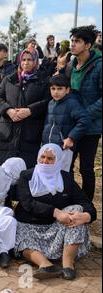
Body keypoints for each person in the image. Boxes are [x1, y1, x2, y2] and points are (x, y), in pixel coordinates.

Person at [14, 144, 97, 280]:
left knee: (76, 210)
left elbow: (87, 204)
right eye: (42, 157)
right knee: (22, 242)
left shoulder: (66, 178)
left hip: (55, 229)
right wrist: (56, 212)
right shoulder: (27, 176)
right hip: (29, 227)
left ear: (58, 160)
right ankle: (46, 266)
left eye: (50, 158)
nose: (45, 161)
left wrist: (86, 216)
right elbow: (28, 203)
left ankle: (68, 265)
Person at [0, 49, 51, 168]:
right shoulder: (9, 79)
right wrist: (8, 110)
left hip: (30, 133)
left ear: (36, 61)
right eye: (23, 60)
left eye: (30, 60)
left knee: (25, 171)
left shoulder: (43, 80)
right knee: (5, 170)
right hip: (8, 132)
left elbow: (48, 101)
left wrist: (30, 110)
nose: (26, 63)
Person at [67, 25, 102, 202]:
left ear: (88, 45)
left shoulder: (99, 66)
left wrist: (84, 115)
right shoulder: (69, 66)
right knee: (67, 165)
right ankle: (71, 198)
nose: (72, 45)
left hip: (91, 127)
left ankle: (86, 203)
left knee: (86, 167)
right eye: (72, 41)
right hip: (71, 126)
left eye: (77, 41)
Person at [41, 74, 90, 171]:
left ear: (67, 90)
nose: (56, 92)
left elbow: (84, 120)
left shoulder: (72, 103)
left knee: (61, 176)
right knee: (46, 173)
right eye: (53, 88)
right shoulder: (50, 103)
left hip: (63, 148)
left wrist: (71, 138)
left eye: (60, 89)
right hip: (47, 147)